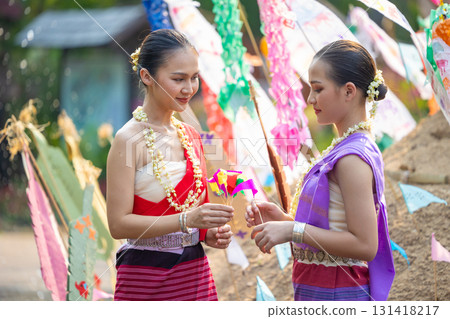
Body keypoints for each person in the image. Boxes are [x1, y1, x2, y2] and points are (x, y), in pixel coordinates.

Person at [245, 40, 395, 301]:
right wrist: (283, 221)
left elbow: (365, 245)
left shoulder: (352, 158)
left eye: (317, 89)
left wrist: (293, 231)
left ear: (348, 91)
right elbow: (335, 229)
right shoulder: (345, 148)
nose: (309, 98)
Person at [106, 29, 234, 301]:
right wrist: (187, 220)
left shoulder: (190, 136)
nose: (189, 88)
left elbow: (191, 215)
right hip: (146, 276)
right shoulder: (128, 139)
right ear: (146, 76)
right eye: (178, 79)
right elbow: (118, 224)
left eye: (194, 78)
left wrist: (207, 233)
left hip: (195, 272)